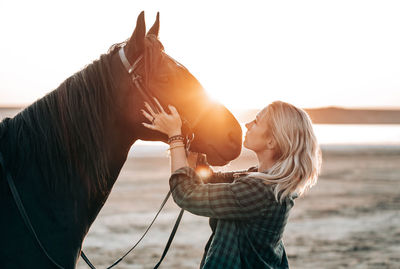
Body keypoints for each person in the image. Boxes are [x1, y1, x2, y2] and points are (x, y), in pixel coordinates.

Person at [142, 99, 321, 269]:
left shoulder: (259, 190)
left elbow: (185, 193)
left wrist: (175, 136)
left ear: (271, 141)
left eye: (256, 122)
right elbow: (209, 180)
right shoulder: (260, 178)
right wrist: (190, 140)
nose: (247, 124)